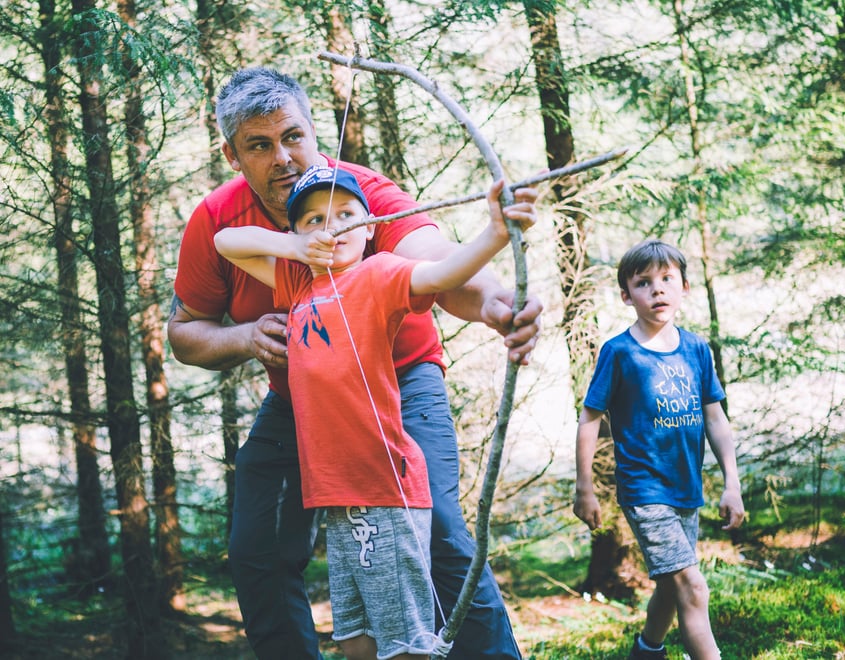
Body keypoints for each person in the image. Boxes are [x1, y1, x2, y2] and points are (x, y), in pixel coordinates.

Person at [168, 67, 540, 659]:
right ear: (231, 153)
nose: (283, 157)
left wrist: (497, 302)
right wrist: (245, 337)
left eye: (293, 136)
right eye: (259, 145)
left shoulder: (359, 196)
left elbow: (438, 263)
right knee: (256, 547)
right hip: (302, 398)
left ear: (315, 130)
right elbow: (184, 334)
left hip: (400, 383)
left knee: (439, 530)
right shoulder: (220, 216)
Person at [572, 239, 745, 660]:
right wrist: (585, 488)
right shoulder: (618, 353)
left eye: (667, 279)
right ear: (626, 295)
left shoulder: (696, 350)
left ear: (684, 287)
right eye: (644, 283)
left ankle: (646, 651)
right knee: (693, 584)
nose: (657, 290)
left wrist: (732, 484)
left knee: (672, 584)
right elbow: (590, 419)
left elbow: (715, 418)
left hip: (686, 488)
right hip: (645, 490)